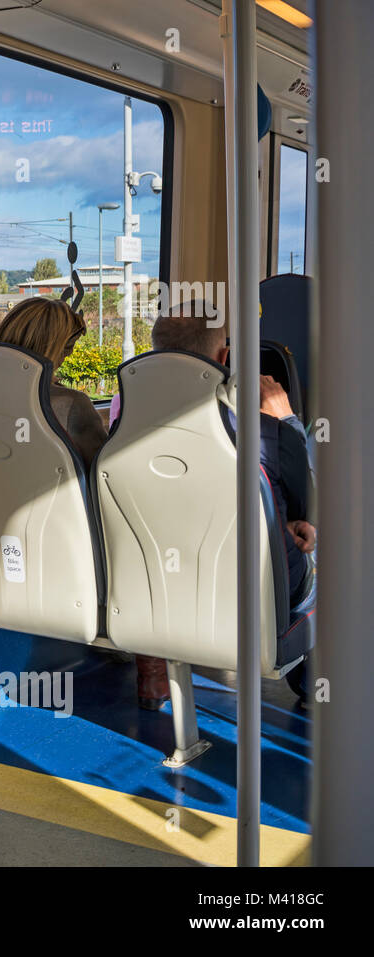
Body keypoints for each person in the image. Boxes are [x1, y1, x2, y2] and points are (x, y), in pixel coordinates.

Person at [109, 300, 316, 709]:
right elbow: (310, 503)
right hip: (253, 590)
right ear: (224, 357)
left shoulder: (121, 427)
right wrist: (287, 418)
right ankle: (312, 682)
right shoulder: (267, 432)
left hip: (155, 580)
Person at [0, 297, 110, 467]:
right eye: (68, 349)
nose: (67, 356)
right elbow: (105, 471)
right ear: (56, 349)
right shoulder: (71, 405)